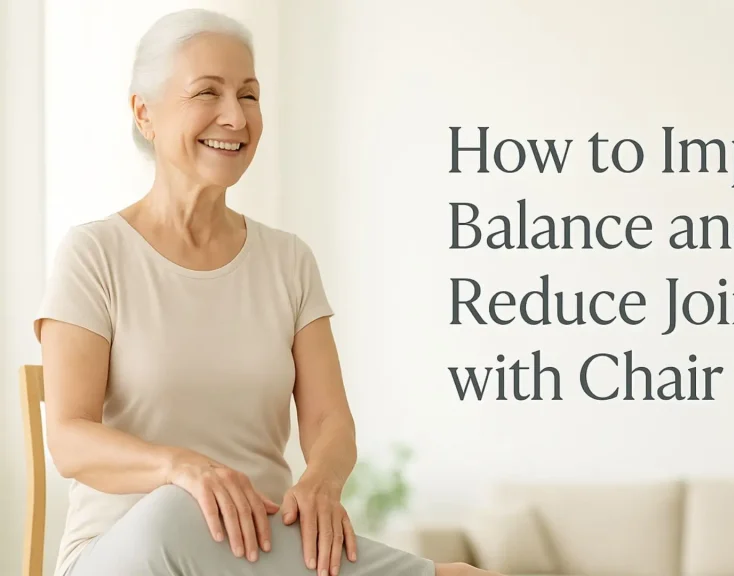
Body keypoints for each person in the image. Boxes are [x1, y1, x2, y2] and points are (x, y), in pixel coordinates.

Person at [35, 9, 499, 576]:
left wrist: (321, 483)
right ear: (144, 113)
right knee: (178, 512)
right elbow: (69, 441)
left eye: (249, 95)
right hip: (126, 552)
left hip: (259, 557)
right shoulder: (93, 254)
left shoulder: (289, 261)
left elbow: (331, 422)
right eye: (208, 92)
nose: (235, 116)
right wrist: (182, 468)